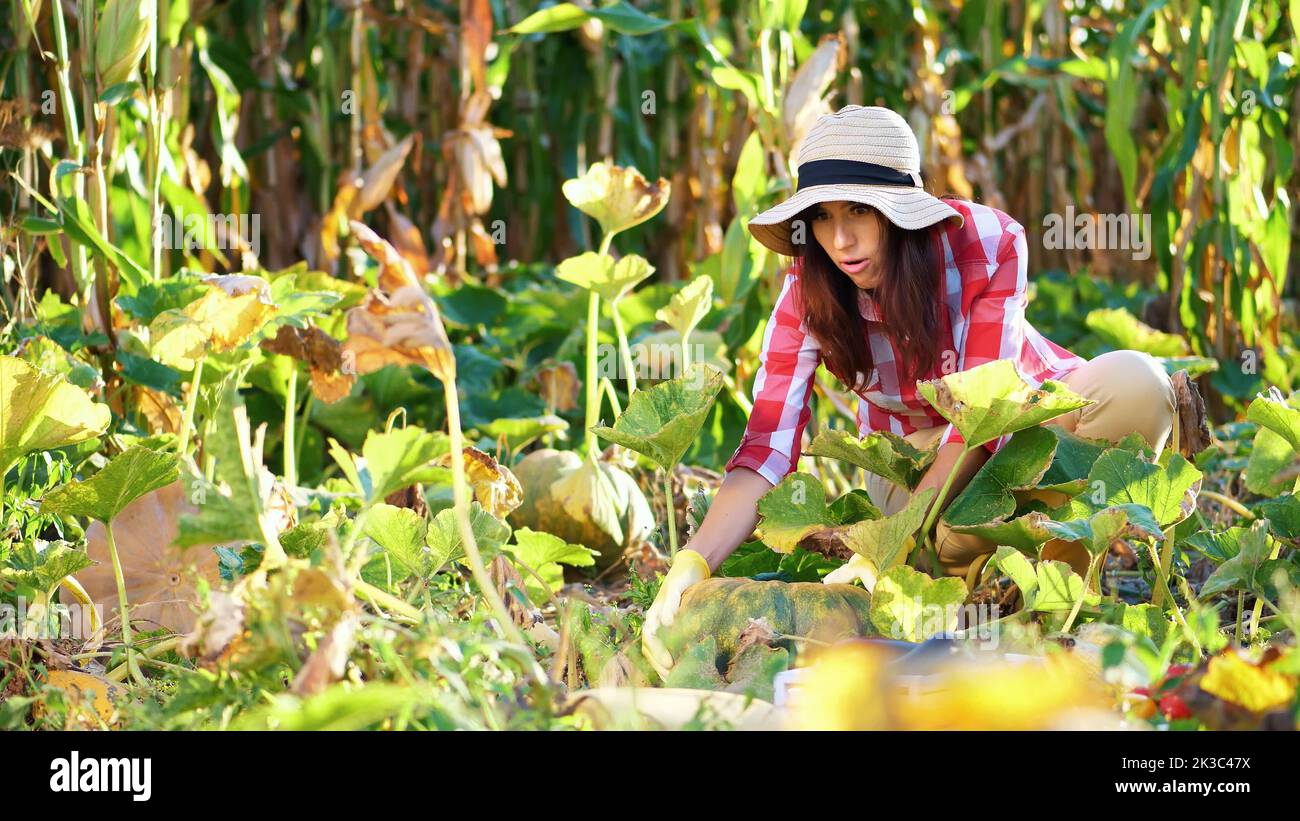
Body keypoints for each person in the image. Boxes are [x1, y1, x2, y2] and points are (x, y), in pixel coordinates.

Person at [640, 105, 1176, 676]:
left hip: (1028, 421)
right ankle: (986, 590)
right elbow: (767, 447)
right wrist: (693, 561)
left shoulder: (988, 243)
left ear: (900, 211)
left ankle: (1056, 586)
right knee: (939, 545)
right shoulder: (808, 293)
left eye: (858, 211)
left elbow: (984, 411)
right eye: (821, 217)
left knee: (1138, 385)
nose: (840, 240)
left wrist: (889, 548)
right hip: (913, 469)